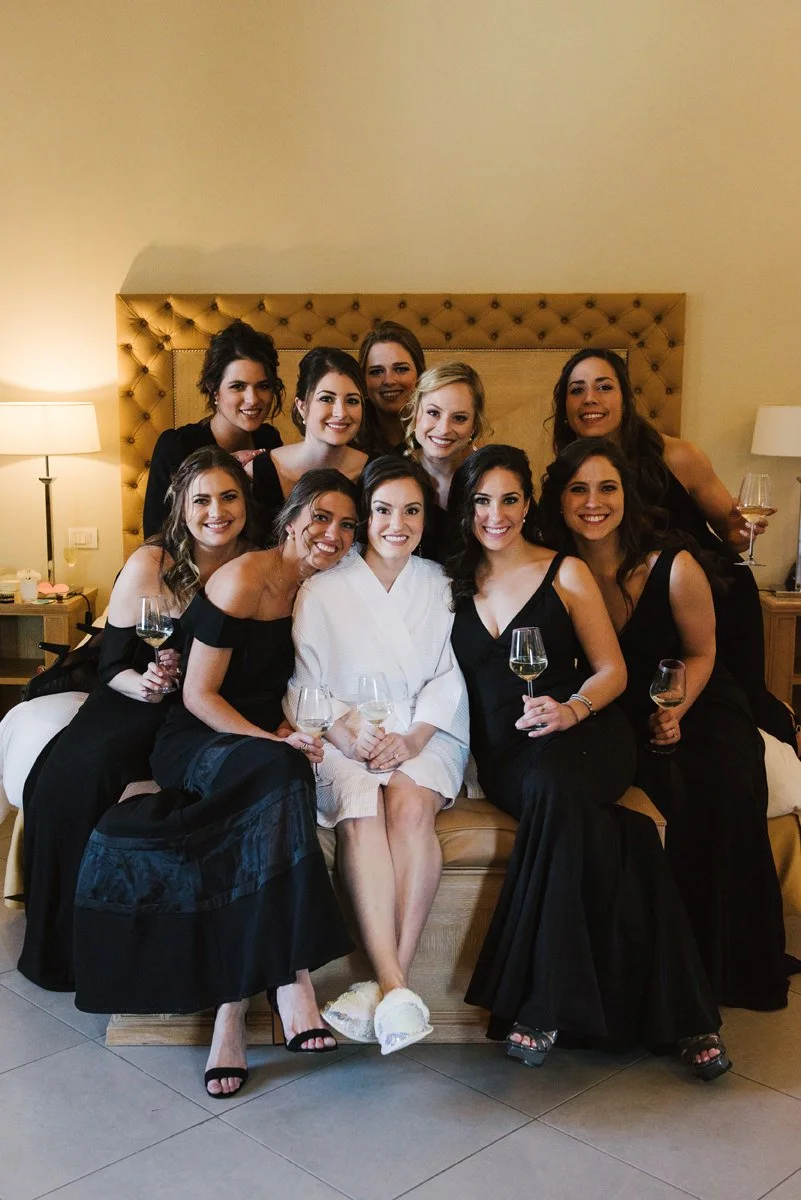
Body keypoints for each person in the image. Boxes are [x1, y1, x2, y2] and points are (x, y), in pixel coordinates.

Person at [73, 470, 359, 1099]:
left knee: (274, 787)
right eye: (320, 517)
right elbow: (199, 696)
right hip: (195, 739)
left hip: (257, 745)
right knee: (283, 771)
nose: (331, 534)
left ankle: (230, 1014)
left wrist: (294, 730)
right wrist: (274, 743)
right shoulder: (242, 578)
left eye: (346, 525)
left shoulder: (321, 590)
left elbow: (293, 686)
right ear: (290, 517)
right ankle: (293, 981)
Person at [446, 444, 729, 1080]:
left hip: (588, 733)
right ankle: (687, 1016)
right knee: (620, 831)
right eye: (482, 500)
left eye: (511, 499)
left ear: (528, 504)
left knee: (558, 784)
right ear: (465, 508)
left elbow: (613, 671)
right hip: (508, 756)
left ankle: (542, 1003)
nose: (497, 514)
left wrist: (572, 710)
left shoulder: (565, 572)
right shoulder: (449, 583)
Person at [538, 437, 796, 1010]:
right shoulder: (552, 567)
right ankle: (669, 963)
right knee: (651, 790)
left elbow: (702, 653)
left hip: (695, 697)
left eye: (608, 488)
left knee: (724, 782)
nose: (593, 502)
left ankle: (732, 963)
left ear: (628, 496)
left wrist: (674, 710)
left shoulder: (673, 566)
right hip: (617, 706)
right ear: (558, 500)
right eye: (578, 489)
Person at [19, 446, 253, 992]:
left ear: (246, 503)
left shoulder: (256, 563)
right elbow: (113, 662)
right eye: (202, 499)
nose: (216, 510)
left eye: (228, 497)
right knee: (71, 780)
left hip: (200, 706)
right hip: (131, 701)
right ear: (180, 507)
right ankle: (66, 950)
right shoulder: (153, 563)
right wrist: (146, 682)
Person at [286, 456, 470, 1055]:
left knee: (410, 807)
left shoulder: (439, 584)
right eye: (384, 510)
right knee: (363, 802)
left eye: (412, 510)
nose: (398, 523)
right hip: (346, 736)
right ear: (365, 517)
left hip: (424, 732)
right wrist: (347, 732)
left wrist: (413, 738)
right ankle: (398, 990)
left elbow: (450, 676)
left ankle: (390, 981)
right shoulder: (321, 588)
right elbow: (302, 683)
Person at [550, 348, 795, 747]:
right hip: (644, 605)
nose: (590, 398)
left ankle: (783, 744)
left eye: (604, 387)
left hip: (715, 593)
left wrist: (744, 532)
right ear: (565, 406)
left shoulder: (677, 454)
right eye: (577, 390)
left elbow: (729, 532)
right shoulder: (569, 468)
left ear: (625, 398)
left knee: (741, 706)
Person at [142, 320, 284, 539]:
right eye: (238, 386)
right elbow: (156, 537)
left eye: (263, 386)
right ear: (214, 390)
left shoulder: (269, 439)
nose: (253, 399)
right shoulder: (177, 446)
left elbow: (276, 528)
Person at [248, 346, 373, 530]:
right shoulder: (259, 472)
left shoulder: (374, 473)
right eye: (326, 399)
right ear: (302, 406)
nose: (341, 413)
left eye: (352, 401)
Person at [401, 361, 490, 562]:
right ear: (415, 414)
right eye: (433, 413)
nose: (443, 428)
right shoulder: (391, 474)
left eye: (459, 418)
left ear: (474, 425)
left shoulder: (492, 476)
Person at [358, 321, 426, 455]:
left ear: (420, 374)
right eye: (376, 372)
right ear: (362, 381)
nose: (389, 380)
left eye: (401, 369)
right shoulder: (348, 440)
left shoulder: (438, 435)